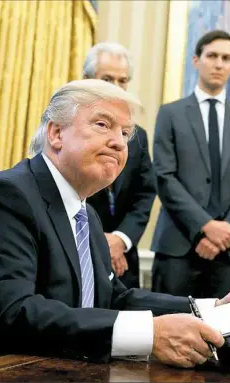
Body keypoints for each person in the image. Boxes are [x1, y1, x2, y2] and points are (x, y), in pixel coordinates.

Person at [0, 79, 230, 372]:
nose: (120, 143)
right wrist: (149, 335)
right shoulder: (4, 197)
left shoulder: (85, 212)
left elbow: (111, 297)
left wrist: (205, 309)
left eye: (125, 133)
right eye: (102, 125)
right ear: (56, 133)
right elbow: (11, 313)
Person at [151, 30, 230, 298]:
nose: (218, 64)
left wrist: (227, 231)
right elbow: (164, 177)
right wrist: (206, 226)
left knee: (228, 337)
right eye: (212, 56)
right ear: (196, 60)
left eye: (226, 58)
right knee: (171, 332)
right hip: (178, 246)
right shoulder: (170, 114)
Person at [83, 42, 156, 288]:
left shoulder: (138, 136)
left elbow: (144, 195)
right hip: (78, 250)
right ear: (87, 79)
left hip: (124, 259)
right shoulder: (70, 129)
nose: (116, 88)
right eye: (107, 79)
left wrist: (119, 240)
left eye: (122, 81)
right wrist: (100, 240)